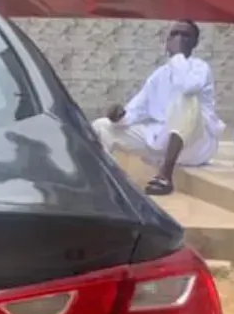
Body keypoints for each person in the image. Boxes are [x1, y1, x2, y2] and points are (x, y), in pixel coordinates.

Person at [92, 20, 224, 197]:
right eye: (175, 34)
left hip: (194, 145)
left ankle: (165, 175)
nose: (179, 39)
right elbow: (135, 111)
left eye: (186, 36)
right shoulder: (159, 75)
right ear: (168, 40)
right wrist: (119, 116)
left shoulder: (200, 68)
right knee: (102, 126)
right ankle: (105, 180)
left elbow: (187, 87)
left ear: (195, 43)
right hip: (160, 141)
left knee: (186, 99)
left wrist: (177, 56)